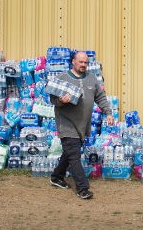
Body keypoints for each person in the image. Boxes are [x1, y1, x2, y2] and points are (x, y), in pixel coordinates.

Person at [47, 51, 115, 200]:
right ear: (73, 62)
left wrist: (108, 113)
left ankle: (56, 177)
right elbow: (52, 98)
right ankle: (82, 188)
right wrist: (61, 101)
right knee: (74, 156)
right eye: (81, 62)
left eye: (86, 62)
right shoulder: (62, 78)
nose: (83, 65)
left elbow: (100, 98)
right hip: (67, 124)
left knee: (69, 153)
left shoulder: (92, 79)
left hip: (82, 125)